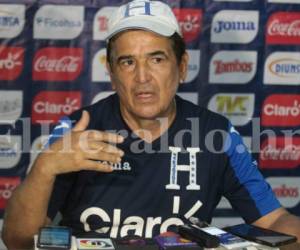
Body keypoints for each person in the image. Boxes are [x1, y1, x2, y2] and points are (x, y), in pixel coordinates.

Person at [2, 0, 300, 249]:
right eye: (128, 62)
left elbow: (273, 221)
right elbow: (18, 240)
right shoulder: (78, 128)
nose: (142, 77)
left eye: (156, 59)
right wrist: (45, 167)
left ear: (181, 66)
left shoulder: (217, 134)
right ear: (111, 72)